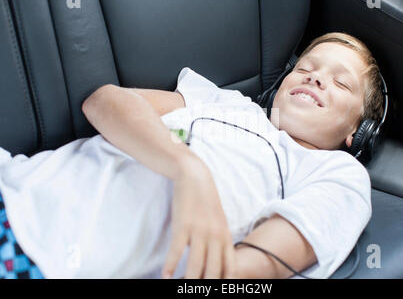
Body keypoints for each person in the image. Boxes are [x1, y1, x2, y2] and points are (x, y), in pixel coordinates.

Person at [0, 32, 383, 279]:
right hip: (15, 185)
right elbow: (104, 102)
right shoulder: (226, 102)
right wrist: (185, 167)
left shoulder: (335, 174)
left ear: (357, 131)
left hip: (44, 263)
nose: (315, 78)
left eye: (339, 82)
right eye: (306, 68)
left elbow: (243, 275)